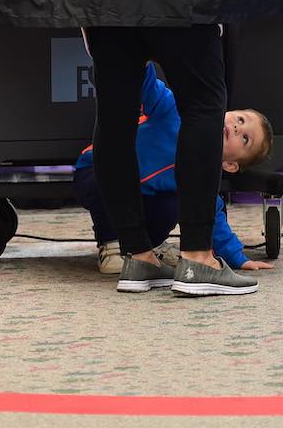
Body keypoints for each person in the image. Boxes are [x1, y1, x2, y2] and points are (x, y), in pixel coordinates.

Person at [83, 24, 263, 296]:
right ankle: (197, 261)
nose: (237, 128)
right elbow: (152, 90)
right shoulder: (171, 110)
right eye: (239, 119)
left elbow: (217, 222)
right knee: (202, 103)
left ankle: (138, 257)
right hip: (90, 174)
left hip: (110, 0)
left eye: (245, 138)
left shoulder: (203, 187)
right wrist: (142, 67)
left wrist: (240, 258)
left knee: (113, 109)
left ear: (230, 165)